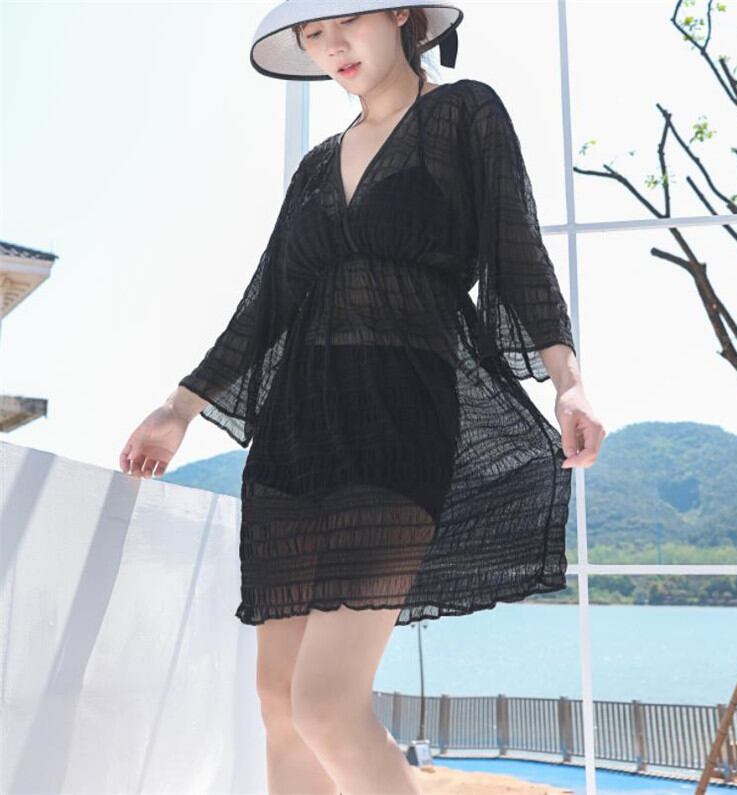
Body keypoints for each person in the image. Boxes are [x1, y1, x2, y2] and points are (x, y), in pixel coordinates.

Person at [119, 2, 606, 793]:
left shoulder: (463, 114)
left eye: (346, 22)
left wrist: (569, 383)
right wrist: (177, 409)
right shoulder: (317, 167)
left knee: (324, 703)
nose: (331, 45)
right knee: (279, 702)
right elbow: (266, 303)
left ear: (401, 14)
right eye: (313, 34)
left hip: (399, 420)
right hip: (295, 434)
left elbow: (517, 252)